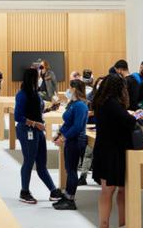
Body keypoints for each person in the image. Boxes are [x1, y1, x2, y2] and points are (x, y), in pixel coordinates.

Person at [91, 74, 143, 228]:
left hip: (104, 149)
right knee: (116, 190)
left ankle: (105, 224)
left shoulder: (100, 102)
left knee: (106, 191)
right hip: (114, 152)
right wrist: (139, 115)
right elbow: (128, 121)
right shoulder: (113, 103)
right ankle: (120, 223)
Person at [15, 68, 63, 204]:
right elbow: (18, 117)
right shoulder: (22, 95)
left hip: (37, 131)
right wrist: (35, 124)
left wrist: (50, 109)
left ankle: (53, 191)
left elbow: (36, 111)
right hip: (27, 131)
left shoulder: (35, 93)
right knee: (29, 161)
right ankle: (24, 192)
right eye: (38, 76)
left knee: (42, 164)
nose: (40, 78)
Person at [53, 79, 89, 210]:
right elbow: (68, 123)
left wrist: (64, 137)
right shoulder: (72, 103)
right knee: (69, 169)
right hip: (70, 140)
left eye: (70, 88)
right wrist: (59, 133)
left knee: (72, 170)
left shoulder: (81, 105)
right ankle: (67, 195)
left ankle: (70, 200)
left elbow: (77, 126)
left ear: (74, 89)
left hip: (76, 141)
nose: (68, 90)